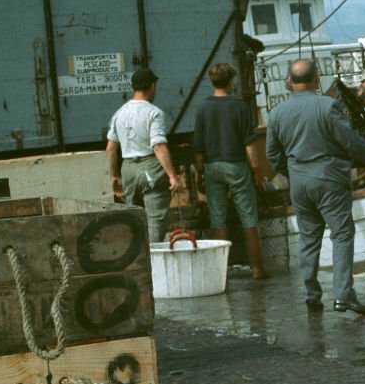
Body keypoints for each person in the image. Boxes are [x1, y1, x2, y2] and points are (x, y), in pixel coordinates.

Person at [266, 58, 365, 315]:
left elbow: (273, 155)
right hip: (329, 178)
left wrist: (292, 171)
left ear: (289, 81)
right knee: (341, 234)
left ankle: (311, 295)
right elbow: (349, 141)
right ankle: (343, 295)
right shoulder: (327, 106)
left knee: (308, 238)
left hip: (298, 181)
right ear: (316, 80)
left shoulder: (276, 113)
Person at [193, 62, 268, 280]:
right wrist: (256, 170)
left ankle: (221, 271)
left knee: (218, 218)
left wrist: (200, 171)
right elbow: (249, 143)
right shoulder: (239, 106)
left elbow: (198, 145)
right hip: (236, 165)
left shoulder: (203, 107)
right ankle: (256, 268)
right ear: (231, 81)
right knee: (248, 216)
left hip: (212, 166)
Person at [106, 69, 181, 243]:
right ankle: (154, 264)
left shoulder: (119, 113)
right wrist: (172, 176)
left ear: (133, 87)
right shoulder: (154, 113)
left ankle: (139, 263)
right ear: (152, 86)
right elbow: (159, 146)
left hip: (128, 169)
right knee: (155, 222)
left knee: (134, 222)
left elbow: (111, 148)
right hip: (150, 169)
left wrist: (115, 176)